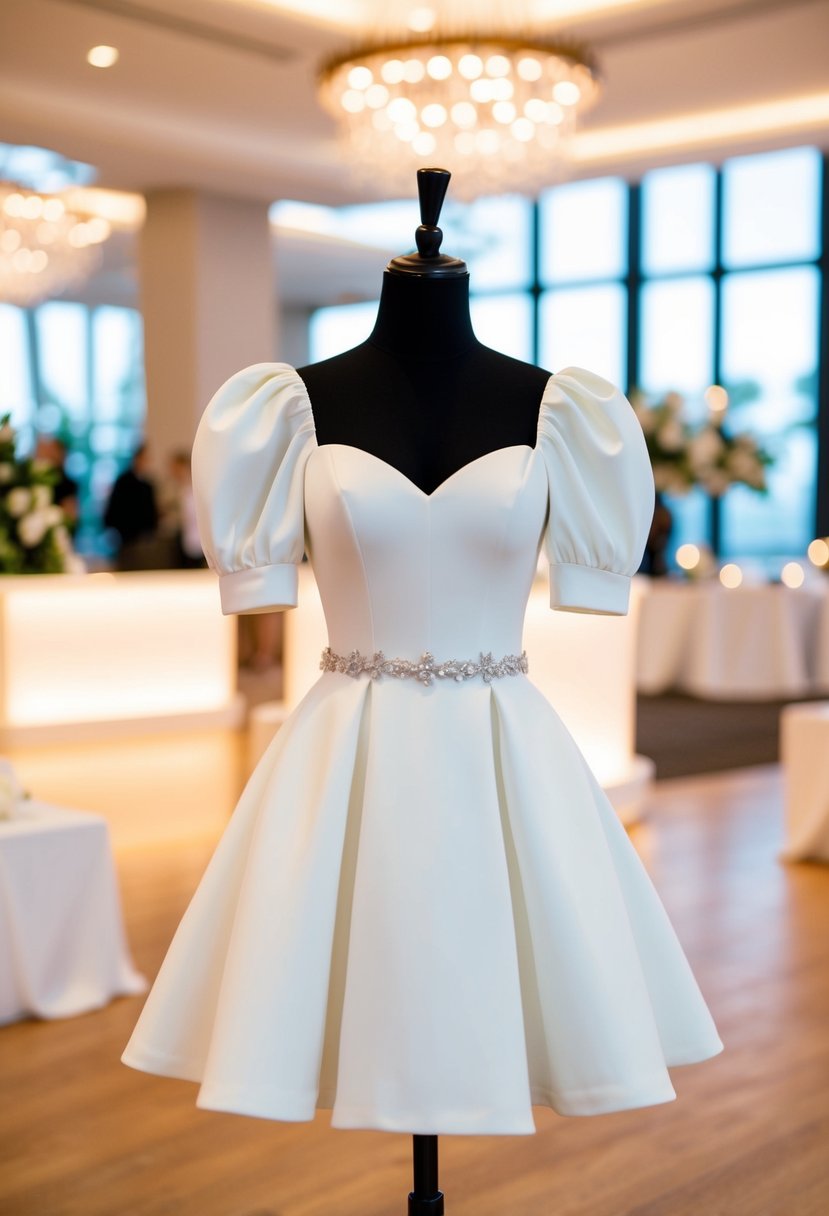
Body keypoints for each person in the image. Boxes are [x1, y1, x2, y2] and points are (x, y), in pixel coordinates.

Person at [103, 443, 160, 569]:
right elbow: (115, 509)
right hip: (127, 538)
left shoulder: (148, 485)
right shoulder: (123, 482)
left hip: (144, 539)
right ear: (137, 458)